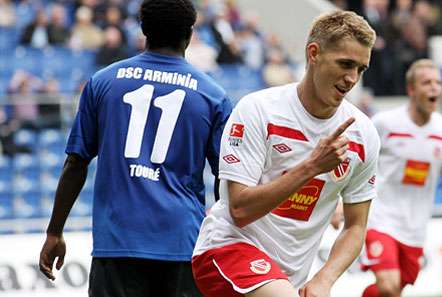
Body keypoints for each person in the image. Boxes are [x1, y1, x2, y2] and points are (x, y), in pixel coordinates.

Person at [38, 0, 233, 296]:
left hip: (117, 245)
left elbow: (76, 163)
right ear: (190, 32)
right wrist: (224, 240)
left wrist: (54, 231)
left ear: (142, 29)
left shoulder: (103, 82)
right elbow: (225, 179)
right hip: (183, 244)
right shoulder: (212, 96)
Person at [192, 10, 380, 297]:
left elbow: (356, 226)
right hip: (228, 249)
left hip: (287, 278)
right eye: (345, 64)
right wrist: (312, 166)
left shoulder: (362, 134)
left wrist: (325, 279)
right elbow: (240, 210)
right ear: (313, 53)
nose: (352, 78)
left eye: (361, 69)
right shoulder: (258, 110)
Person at [361, 59, 442, 297]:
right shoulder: (385, 123)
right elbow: (358, 161)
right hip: (380, 217)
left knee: (392, 291)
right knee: (388, 285)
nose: (434, 88)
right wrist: (341, 203)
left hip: (415, 226)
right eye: (427, 83)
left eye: (438, 83)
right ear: (412, 90)